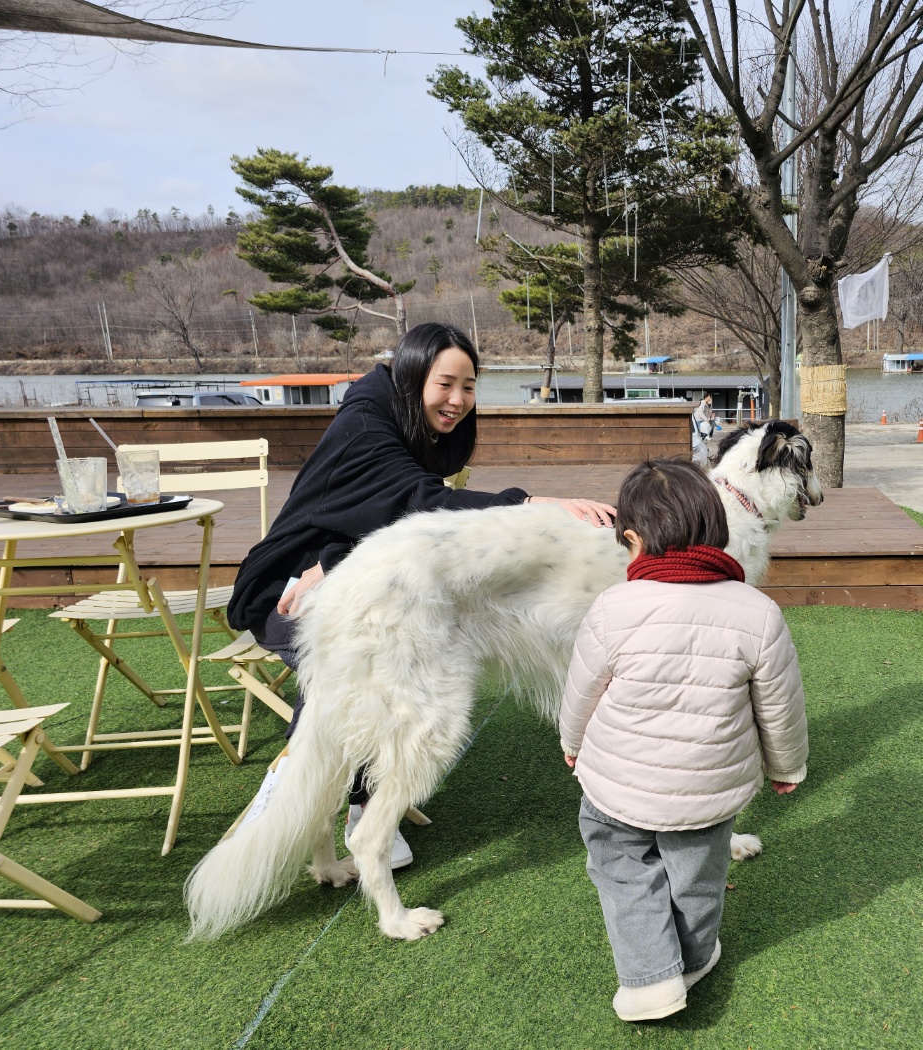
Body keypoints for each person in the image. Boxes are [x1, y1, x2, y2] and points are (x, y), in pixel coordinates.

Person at [229, 322, 615, 867]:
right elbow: (415, 500)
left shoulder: (407, 422)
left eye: (469, 386)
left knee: (386, 659)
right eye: (445, 384)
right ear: (413, 378)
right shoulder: (366, 422)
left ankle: (344, 805)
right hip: (285, 588)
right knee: (371, 670)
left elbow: (391, 518)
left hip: (355, 572)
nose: (457, 400)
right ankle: (305, 799)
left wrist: (337, 562)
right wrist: (528, 502)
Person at [559, 459, 808, 1022]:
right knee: (697, 879)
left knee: (624, 869)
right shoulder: (758, 614)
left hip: (616, 787)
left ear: (632, 540)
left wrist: (571, 742)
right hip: (708, 791)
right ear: (718, 531)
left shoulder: (613, 607)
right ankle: (693, 960)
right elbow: (781, 709)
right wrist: (786, 767)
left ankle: (649, 980)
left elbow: (581, 692)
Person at [690, 393, 717, 467]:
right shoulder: (702, 404)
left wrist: (711, 416)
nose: (710, 399)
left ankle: (706, 439)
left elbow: (710, 412)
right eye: (709, 397)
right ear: (705, 397)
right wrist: (706, 419)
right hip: (699, 420)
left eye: (710, 398)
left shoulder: (708, 404)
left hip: (704, 421)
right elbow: (701, 413)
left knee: (706, 432)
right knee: (702, 434)